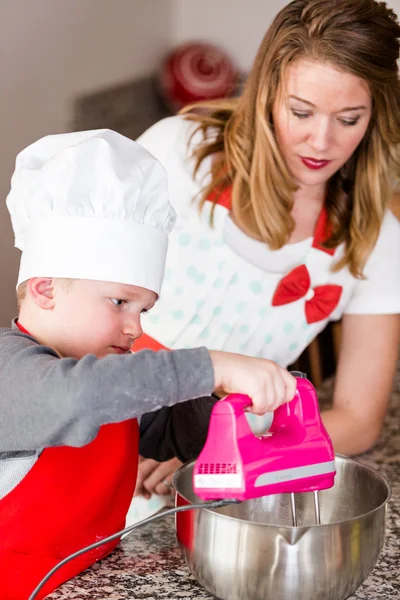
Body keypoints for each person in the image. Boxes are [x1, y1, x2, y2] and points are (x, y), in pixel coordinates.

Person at [0, 129, 296, 599]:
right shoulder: (11, 373)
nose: (135, 327)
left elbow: (179, 432)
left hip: (96, 582)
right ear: (45, 290)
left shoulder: (118, 380)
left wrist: (232, 399)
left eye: (143, 310)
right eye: (119, 302)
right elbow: (74, 396)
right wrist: (211, 365)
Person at [134, 0, 400, 500]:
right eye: (301, 112)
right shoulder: (176, 154)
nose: (320, 141)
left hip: (215, 480)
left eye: (348, 119)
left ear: (376, 116)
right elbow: (63, 318)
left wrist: (217, 446)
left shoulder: (376, 238)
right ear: (268, 95)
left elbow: (359, 420)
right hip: (92, 432)